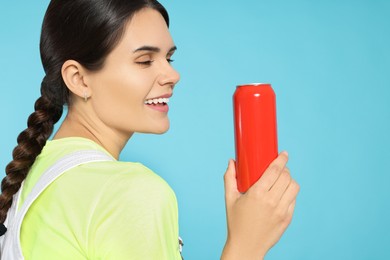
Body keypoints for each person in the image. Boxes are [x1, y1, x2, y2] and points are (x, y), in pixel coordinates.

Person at [0, 0, 300, 259]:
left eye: (168, 58)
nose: (173, 74)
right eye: (145, 60)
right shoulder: (130, 192)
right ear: (78, 79)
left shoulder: (32, 175)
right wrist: (246, 246)